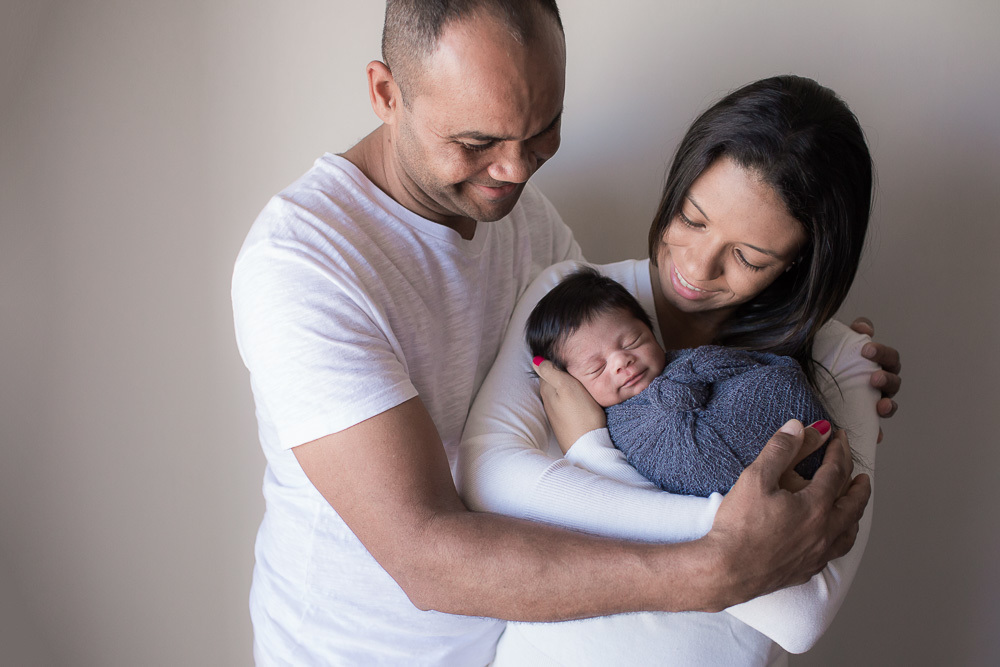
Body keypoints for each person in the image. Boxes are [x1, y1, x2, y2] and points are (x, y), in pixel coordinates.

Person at [231, 1, 899, 663]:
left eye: (543, 131)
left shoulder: (528, 224)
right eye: (477, 143)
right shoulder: (306, 262)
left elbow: (615, 419)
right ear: (385, 92)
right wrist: (717, 562)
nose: (516, 171)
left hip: (507, 644)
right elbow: (427, 556)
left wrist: (823, 356)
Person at [459, 75, 888, 664]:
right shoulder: (573, 306)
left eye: (747, 257)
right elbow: (487, 479)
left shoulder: (841, 362)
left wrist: (587, 455)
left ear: (800, 266)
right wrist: (738, 538)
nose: (695, 266)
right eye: (691, 218)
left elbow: (802, 613)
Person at [524, 267, 831, 496]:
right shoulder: (615, 432)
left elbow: (760, 371)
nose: (621, 361)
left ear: (652, 333)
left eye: (633, 341)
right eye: (596, 367)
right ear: (571, 384)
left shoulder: (692, 361)